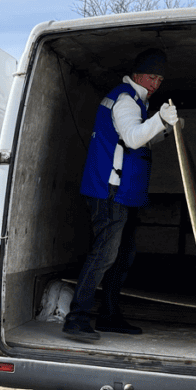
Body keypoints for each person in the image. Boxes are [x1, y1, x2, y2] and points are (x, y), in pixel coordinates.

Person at [63, 49, 181, 339]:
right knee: (105, 255)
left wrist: (164, 129)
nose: (155, 84)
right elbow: (132, 137)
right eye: (151, 77)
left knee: (123, 255)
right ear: (138, 74)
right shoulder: (126, 100)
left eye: (160, 79)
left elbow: (138, 141)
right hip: (110, 190)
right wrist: (160, 120)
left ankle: (109, 315)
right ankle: (76, 318)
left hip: (122, 191)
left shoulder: (136, 101)